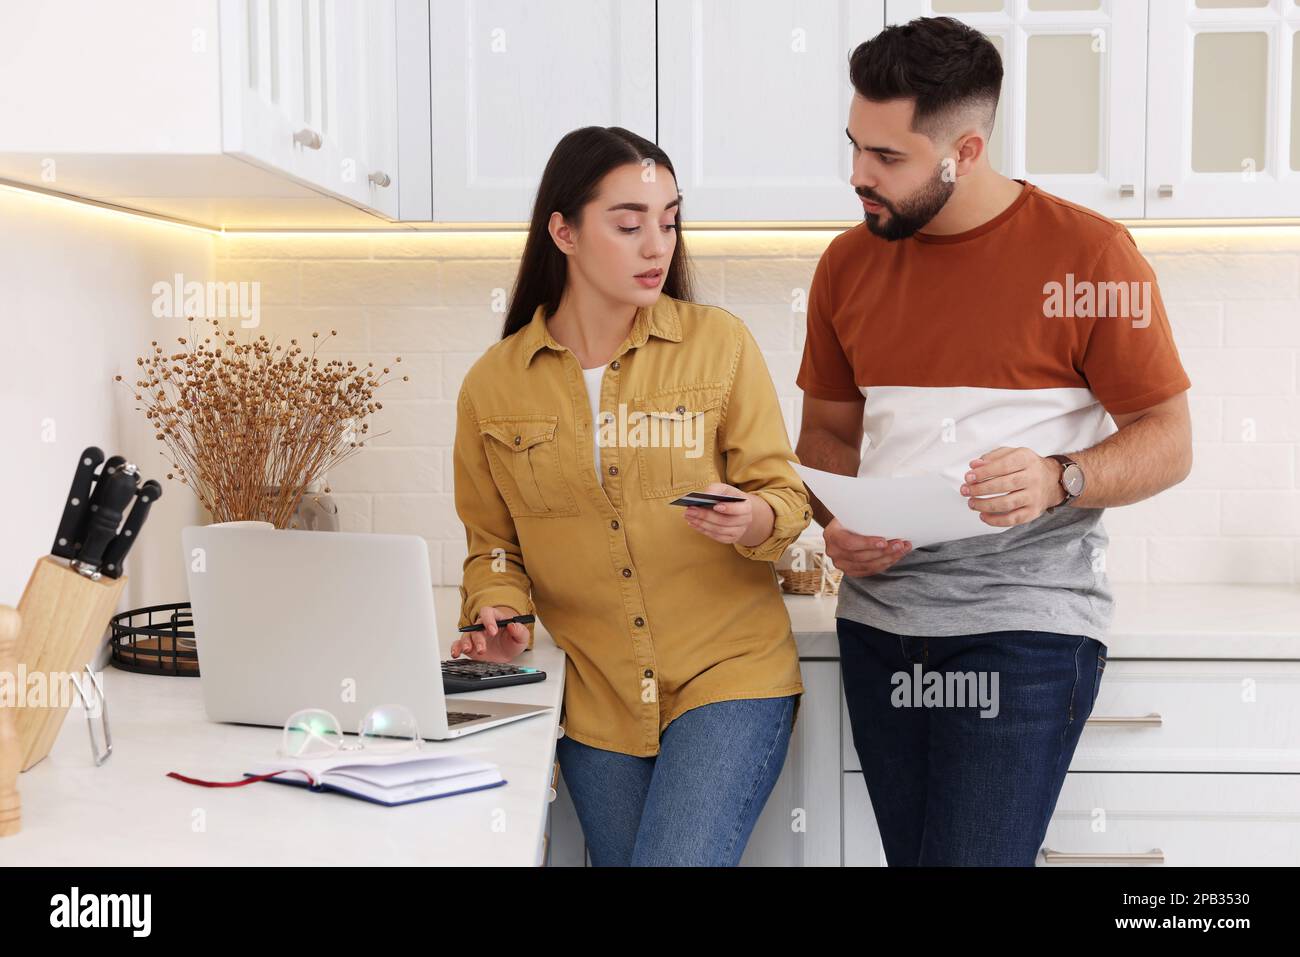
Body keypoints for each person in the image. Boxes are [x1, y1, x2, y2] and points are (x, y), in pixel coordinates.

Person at [795, 17, 1193, 866]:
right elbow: (828, 434)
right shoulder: (845, 266)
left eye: (889, 157)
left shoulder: (1091, 256)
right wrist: (837, 519)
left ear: (965, 151)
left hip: (1024, 625)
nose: (859, 175)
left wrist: (1062, 476)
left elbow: (1169, 439)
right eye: (856, 146)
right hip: (880, 621)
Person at [450, 126, 811, 866]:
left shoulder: (721, 345)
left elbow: (785, 493)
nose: (658, 245)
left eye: (670, 221)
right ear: (564, 231)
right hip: (598, 698)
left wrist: (755, 518)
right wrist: (498, 608)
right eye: (629, 224)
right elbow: (492, 543)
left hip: (729, 676)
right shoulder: (494, 383)